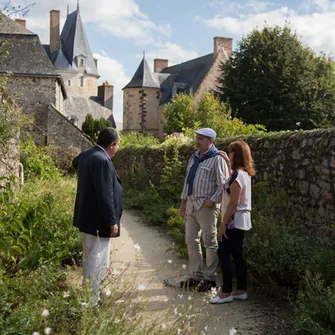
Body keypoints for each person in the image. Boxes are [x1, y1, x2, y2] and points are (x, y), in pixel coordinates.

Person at [72, 127, 123, 305]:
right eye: (117, 146)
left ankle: (88, 294)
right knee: (98, 260)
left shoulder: (87, 155)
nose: (117, 150)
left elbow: (74, 162)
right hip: (98, 220)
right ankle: (91, 301)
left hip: (86, 217)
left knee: (89, 257)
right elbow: (105, 194)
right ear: (112, 145)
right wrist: (112, 221)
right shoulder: (102, 161)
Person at [179, 128, 229, 292]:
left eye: (201, 138)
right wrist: (183, 202)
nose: (197, 140)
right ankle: (196, 276)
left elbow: (223, 184)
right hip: (191, 205)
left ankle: (210, 278)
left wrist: (212, 201)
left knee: (210, 242)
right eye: (197, 137)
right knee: (191, 241)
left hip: (207, 208)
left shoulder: (217, 159)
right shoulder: (193, 158)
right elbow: (188, 182)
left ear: (211, 141)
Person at [210, 140, 255, 304]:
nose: (229, 154)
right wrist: (228, 164)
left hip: (232, 221)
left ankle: (226, 292)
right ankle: (241, 290)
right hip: (240, 220)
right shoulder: (243, 174)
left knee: (223, 253)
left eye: (231, 152)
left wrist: (223, 224)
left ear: (236, 155)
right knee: (237, 254)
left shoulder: (237, 176)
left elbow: (234, 202)